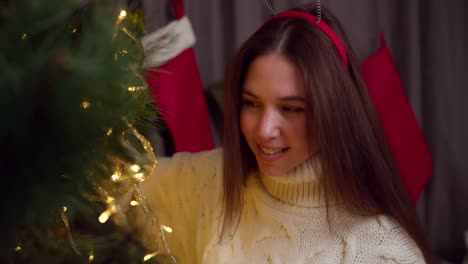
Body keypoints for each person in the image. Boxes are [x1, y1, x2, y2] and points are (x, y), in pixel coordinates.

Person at [131, 4, 433, 263]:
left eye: (291, 109)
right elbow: (112, 187)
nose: (264, 130)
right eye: (251, 104)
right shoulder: (212, 179)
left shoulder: (384, 252)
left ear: (333, 114)